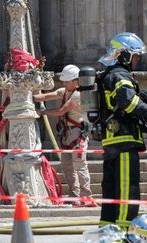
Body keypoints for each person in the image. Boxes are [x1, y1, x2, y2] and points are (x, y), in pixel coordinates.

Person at [97, 32, 147, 229]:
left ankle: (107, 230)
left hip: (111, 140)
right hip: (124, 140)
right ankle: (124, 232)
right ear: (123, 55)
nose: (137, 60)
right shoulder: (120, 75)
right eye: (135, 55)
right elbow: (129, 103)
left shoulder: (107, 75)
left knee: (111, 190)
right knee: (127, 189)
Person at [33, 64, 95, 207]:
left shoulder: (78, 95)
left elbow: (61, 111)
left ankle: (86, 196)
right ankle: (74, 195)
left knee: (80, 166)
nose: (64, 84)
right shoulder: (65, 90)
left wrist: (42, 112)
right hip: (67, 134)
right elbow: (47, 96)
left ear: (76, 81)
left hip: (77, 134)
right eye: (64, 82)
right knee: (67, 166)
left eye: (67, 81)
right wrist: (32, 95)